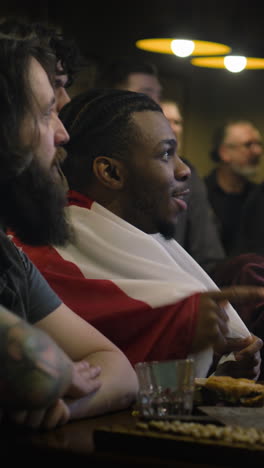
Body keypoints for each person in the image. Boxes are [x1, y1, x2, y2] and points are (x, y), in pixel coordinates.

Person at [12, 88, 264, 381]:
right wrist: (177, 331)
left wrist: (219, 369)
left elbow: (151, 378)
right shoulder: (46, 248)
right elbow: (81, 370)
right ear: (111, 172)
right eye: (166, 154)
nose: (184, 170)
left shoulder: (142, 235)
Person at [0, 37, 138, 429]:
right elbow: (38, 366)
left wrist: (61, 408)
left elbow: (120, 371)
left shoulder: (8, 257)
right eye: (45, 113)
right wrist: (57, 372)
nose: (62, 133)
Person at [95, 58, 226, 275]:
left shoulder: (185, 174)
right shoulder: (78, 162)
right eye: (146, 94)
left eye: (159, 95)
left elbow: (208, 255)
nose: (157, 105)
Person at [160, 99, 225, 275]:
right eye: (166, 121)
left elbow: (205, 244)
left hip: (180, 279)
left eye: (177, 122)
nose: (173, 127)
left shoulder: (189, 174)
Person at [204, 120, 263, 255]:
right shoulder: (201, 194)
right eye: (248, 145)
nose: (258, 151)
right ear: (224, 153)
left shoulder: (259, 196)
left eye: (259, 144)